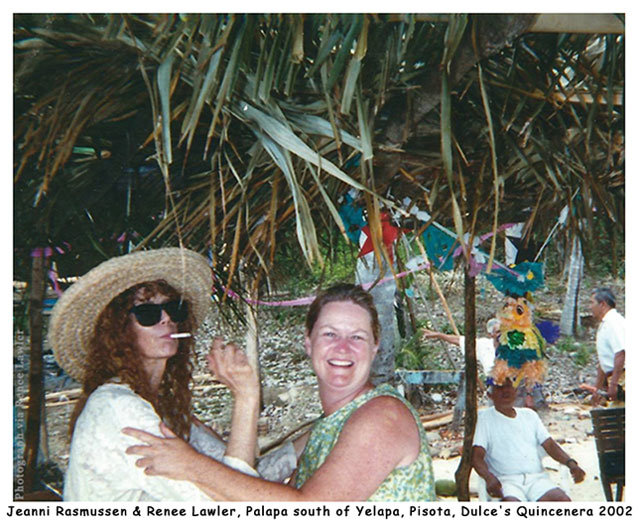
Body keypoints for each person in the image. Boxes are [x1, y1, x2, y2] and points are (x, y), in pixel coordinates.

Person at [124, 283, 436, 501]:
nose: (343, 348)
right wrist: (241, 399)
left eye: (357, 336)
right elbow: (258, 478)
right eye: (329, 334)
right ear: (309, 343)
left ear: (375, 346)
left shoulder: (382, 417)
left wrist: (191, 465)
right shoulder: (330, 425)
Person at [48, 248, 297, 501]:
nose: (167, 319)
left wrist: (325, 430)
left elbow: (250, 480)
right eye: (148, 313)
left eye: (174, 309)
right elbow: (231, 501)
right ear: (119, 330)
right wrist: (246, 397)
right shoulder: (118, 408)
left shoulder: (164, 409)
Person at [472, 379, 585, 501]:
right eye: (499, 388)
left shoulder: (529, 415)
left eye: (509, 386)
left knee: (562, 501)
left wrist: (571, 463)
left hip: (537, 479)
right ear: (490, 395)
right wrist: (489, 478)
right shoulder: (484, 419)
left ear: (515, 391)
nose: (505, 391)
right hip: (506, 481)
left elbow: (550, 445)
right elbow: (476, 456)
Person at [422, 318, 501, 376]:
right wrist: (438, 335)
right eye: (498, 332)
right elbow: (458, 340)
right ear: (490, 334)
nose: (501, 334)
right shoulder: (484, 345)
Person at [589, 287, 625, 405]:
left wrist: (614, 384)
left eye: (592, 303)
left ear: (603, 304)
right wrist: (597, 389)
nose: (590, 307)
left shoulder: (614, 323)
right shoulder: (605, 324)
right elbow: (604, 361)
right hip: (614, 377)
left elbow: (621, 353)